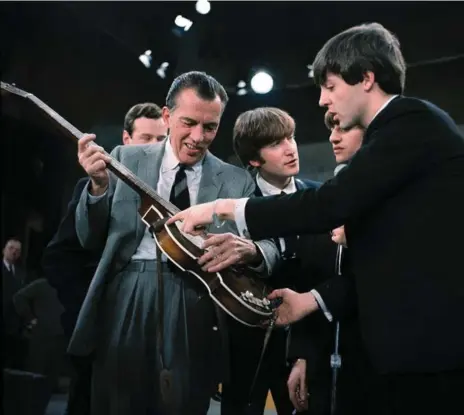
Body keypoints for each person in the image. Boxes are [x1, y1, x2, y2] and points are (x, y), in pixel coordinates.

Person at [168, 23, 464, 415]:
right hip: (406, 352)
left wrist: (222, 207)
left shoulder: (411, 122)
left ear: (366, 78)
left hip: (430, 349)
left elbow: (328, 204)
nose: (323, 101)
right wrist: (311, 300)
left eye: (330, 85)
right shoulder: (399, 132)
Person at [69, 71, 280, 415]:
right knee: (117, 403)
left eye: (210, 127)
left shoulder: (237, 180)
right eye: (189, 123)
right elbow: (88, 238)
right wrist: (96, 188)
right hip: (127, 294)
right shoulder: (123, 158)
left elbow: (272, 245)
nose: (198, 137)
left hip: (198, 299)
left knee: (184, 403)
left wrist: (253, 250)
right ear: (166, 117)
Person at [42, 102, 168, 415]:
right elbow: (58, 257)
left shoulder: (168, 196)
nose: (153, 147)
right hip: (99, 330)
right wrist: (89, 305)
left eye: (160, 140)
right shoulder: (92, 187)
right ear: (126, 139)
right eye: (145, 138)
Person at [220, 107, 319, 415]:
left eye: (290, 137)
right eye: (276, 143)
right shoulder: (235, 204)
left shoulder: (317, 197)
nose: (290, 148)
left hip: (305, 338)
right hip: (248, 342)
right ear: (253, 159)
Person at [286, 111, 369, 415]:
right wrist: (302, 357)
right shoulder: (324, 204)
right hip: (324, 366)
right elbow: (308, 278)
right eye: (332, 129)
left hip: (375, 366)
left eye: (344, 128)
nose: (334, 137)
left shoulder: (395, 205)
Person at [2, 237, 29, 369]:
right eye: (11, 248)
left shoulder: (21, 273)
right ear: (4, 250)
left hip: (15, 323)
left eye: (17, 250)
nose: (14, 252)